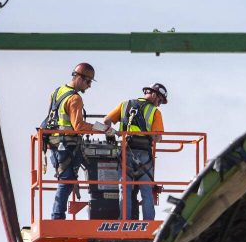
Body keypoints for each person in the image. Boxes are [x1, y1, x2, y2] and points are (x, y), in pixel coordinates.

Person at [46, 63, 115, 219]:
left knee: (65, 180)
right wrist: (102, 129)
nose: (89, 86)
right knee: (67, 181)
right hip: (67, 145)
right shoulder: (75, 98)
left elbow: (52, 119)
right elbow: (78, 126)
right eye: (88, 81)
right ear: (80, 78)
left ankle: (57, 216)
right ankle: (57, 217)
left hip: (55, 143)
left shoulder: (56, 92)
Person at [102, 83, 167, 220]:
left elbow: (106, 121)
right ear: (154, 94)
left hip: (125, 153)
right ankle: (148, 223)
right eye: (160, 100)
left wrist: (112, 134)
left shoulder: (125, 104)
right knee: (146, 191)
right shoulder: (155, 112)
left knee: (124, 189)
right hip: (144, 156)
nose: (159, 104)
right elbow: (157, 137)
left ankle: (124, 220)